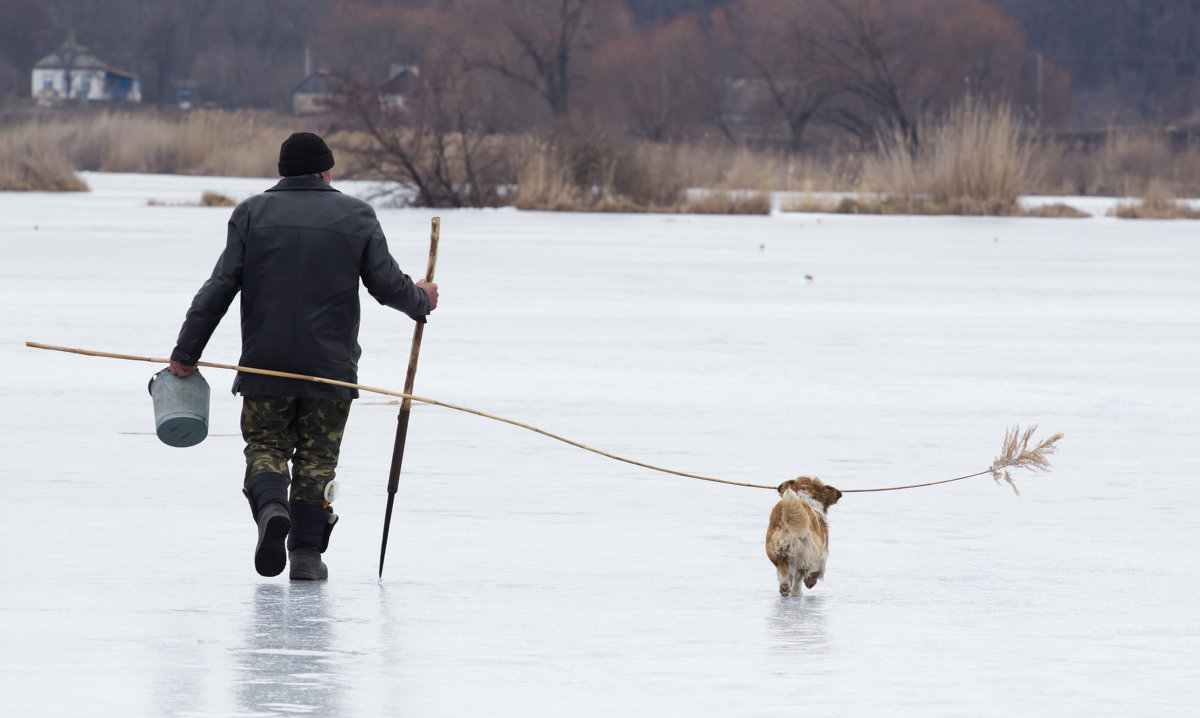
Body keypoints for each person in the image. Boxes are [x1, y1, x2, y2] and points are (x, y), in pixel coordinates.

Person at [168, 132, 438, 580]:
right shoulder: (357, 215)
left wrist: (185, 352)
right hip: (330, 373)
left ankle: (273, 507)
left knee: (266, 446)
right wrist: (421, 300)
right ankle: (308, 556)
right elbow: (388, 286)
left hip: (263, 368)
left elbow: (219, 288)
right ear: (326, 170)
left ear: (283, 171)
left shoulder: (251, 213)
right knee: (318, 459)